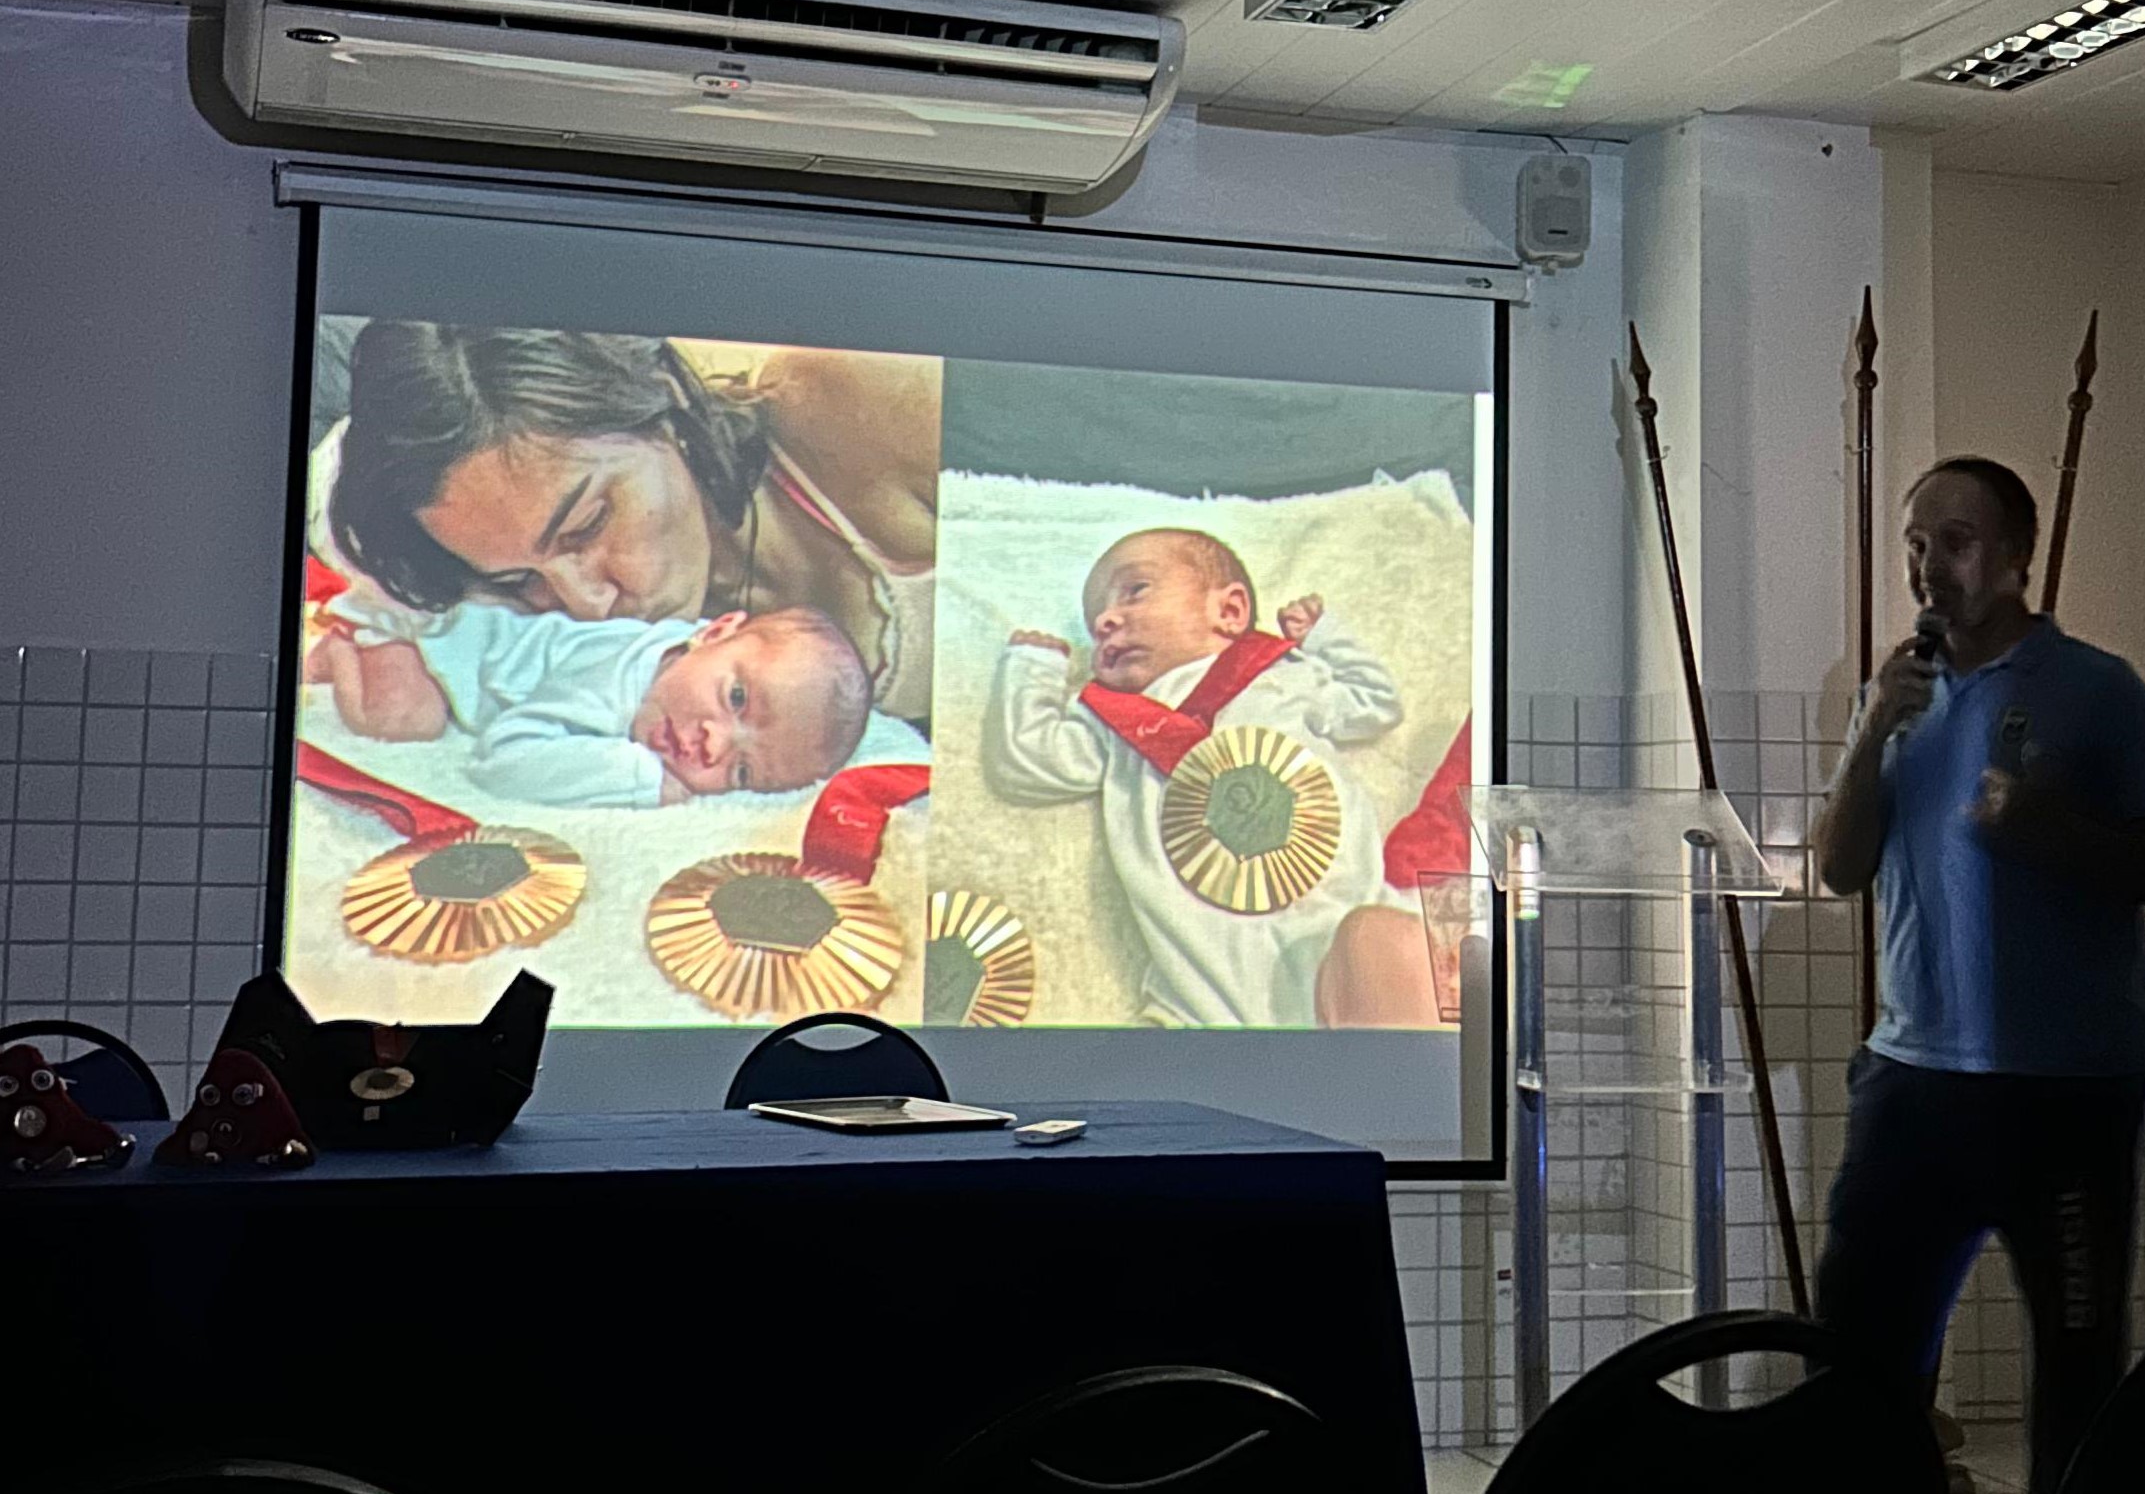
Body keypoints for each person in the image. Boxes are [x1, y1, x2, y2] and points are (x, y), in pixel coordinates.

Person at [1809, 456, 2145, 1494]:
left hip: (2067, 1086)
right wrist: (1875, 723)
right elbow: (1836, 868)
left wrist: (2051, 831)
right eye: (1919, 538)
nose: (1932, 561)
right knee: (1858, 1351)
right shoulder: (1903, 695)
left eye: (1960, 539)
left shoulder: (2099, 693)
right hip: (1913, 1076)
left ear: (2019, 556)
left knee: (2074, 1351)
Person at [324, 324, 942, 725]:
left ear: (662, 394)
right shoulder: (495, 582)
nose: (587, 607)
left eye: (588, 525)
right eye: (518, 577)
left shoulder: (855, 402)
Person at [984, 527, 1437, 1028]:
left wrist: (1325, 637)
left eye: (1135, 591)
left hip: (1339, 953)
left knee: (1389, 943)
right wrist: (1032, 668)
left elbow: (1375, 703)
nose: (1107, 620)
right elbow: (1026, 763)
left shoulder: (1279, 676)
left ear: (1229, 611)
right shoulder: (1113, 721)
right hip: (1202, 995)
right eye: (1095, 624)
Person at [309, 603, 874, 808]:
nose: (714, 744)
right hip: (433, 640)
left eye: (743, 772)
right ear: (716, 629)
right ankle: (341, 645)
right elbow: (500, 758)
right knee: (402, 718)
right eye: (737, 698)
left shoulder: (687, 655)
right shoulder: (608, 684)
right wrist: (636, 777)